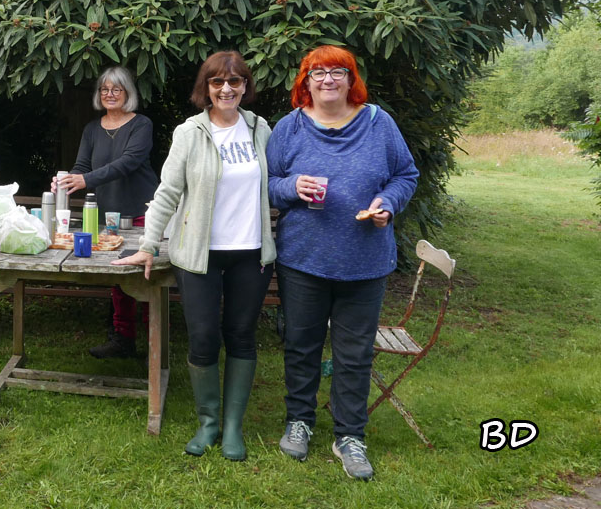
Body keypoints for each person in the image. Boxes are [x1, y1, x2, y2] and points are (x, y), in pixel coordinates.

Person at [266, 45, 419, 480]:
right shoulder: (289, 128)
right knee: (301, 345)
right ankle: (299, 422)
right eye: (318, 72)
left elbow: (406, 174)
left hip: (365, 261)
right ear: (305, 81)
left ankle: (350, 436)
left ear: (352, 80)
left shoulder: (378, 124)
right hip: (303, 260)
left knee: (354, 355)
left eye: (338, 71)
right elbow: (269, 185)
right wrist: (293, 186)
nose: (328, 79)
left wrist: (387, 203)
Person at [113, 51, 275, 460]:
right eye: (218, 82)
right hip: (198, 254)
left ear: (245, 87)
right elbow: (167, 192)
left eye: (235, 81)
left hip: (250, 253)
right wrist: (149, 244)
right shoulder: (190, 132)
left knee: (241, 336)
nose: (227, 89)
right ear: (206, 88)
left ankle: (234, 427)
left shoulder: (260, 129)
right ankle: (209, 423)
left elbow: (281, 181)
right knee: (203, 338)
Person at [54, 66, 157, 359]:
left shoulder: (141, 125)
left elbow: (128, 162)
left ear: (128, 94)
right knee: (118, 277)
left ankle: (154, 340)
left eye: (116, 89)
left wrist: (85, 180)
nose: (109, 94)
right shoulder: (91, 128)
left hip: (141, 210)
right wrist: (65, 180)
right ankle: (122, 339)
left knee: (147, 276)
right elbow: (81, 167)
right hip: (108, 215)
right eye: (104, 89)